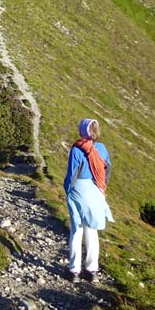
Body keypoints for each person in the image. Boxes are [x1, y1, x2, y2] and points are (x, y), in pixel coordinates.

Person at [63, 118, 114, 283]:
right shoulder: (102, 148)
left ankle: (74, 271)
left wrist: (67, 190)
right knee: (92, 230)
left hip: (79, 189)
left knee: (76, 230)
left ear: (82, 131)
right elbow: (107, 169)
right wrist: (102, 188)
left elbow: (72, 173)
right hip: (96, 190)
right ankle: (92, 271)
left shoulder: (77, 148)